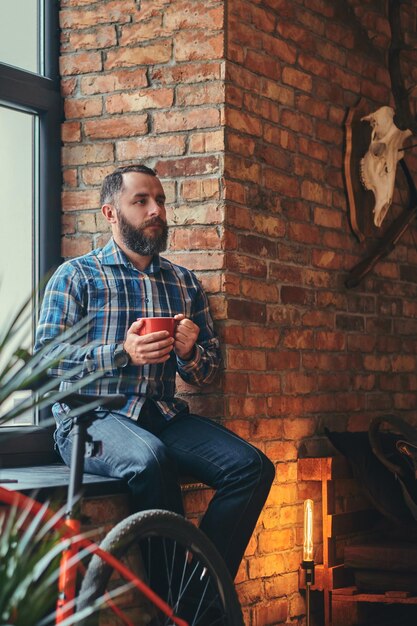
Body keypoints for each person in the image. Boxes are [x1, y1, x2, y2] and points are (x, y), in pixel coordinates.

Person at [35, 164, 275, 579]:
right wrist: (120, 353)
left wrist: (190, 353)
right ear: (110, 213)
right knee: (150, 460)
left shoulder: (183, 283)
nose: (156, 210)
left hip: (160, 415)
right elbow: (43, 364)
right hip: (91, 418)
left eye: (160, 200)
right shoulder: (76, 276)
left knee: (252, 467)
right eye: (141, 201)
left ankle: (199, 597)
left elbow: (208, 373)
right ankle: (168, 607)